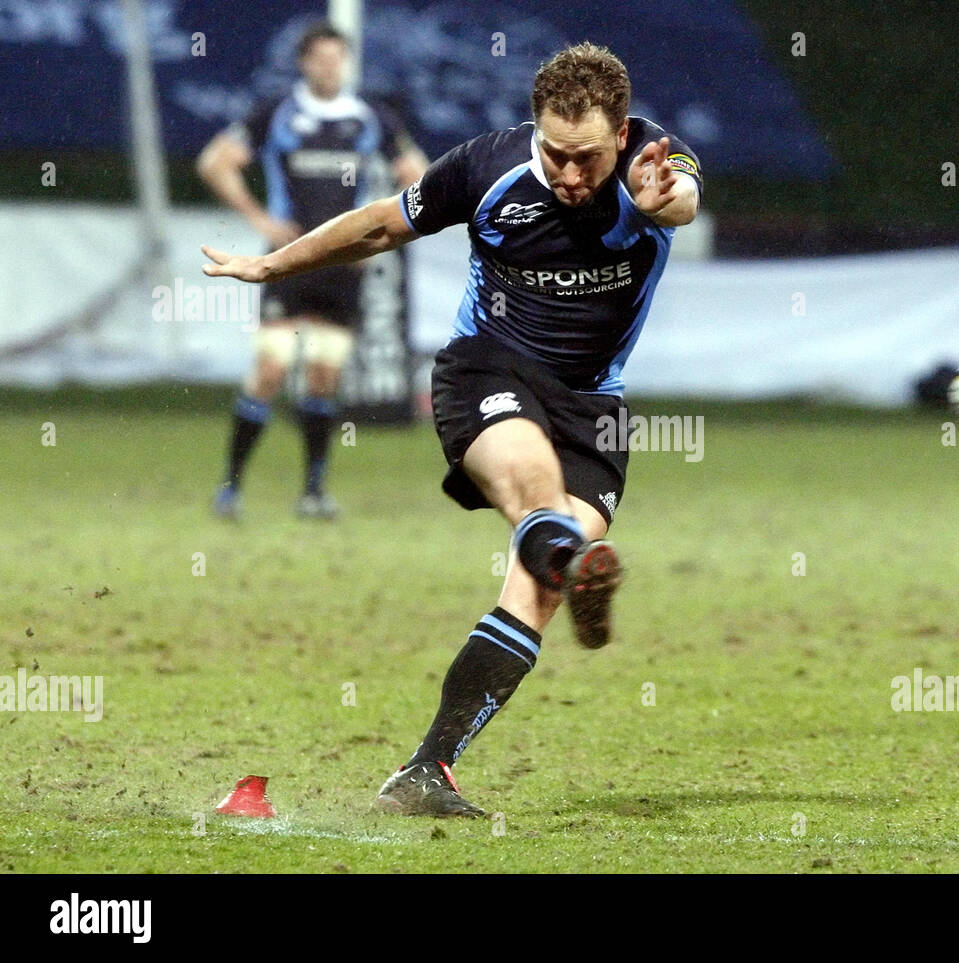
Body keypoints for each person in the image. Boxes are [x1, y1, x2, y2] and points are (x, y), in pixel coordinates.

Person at [202, 42, 701, 815]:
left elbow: (681, 202)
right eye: (556, 154)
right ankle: (569, 555)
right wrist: (273, 267)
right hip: (486, 374)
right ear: (535, 130)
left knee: (533, 589)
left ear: (623, 134)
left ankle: (426, 770)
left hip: (594, 408)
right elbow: (377, 226)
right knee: (537, 499)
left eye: (589, 159)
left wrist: (655, 197)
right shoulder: (486, 168)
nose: (571, 175)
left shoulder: (655, 160)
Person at [198, 21, 427, 520]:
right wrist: (261, 220)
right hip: (286, 262)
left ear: (345, 62)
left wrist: (380, 229)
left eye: (336, 58)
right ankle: (230, 489)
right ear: (304, 63)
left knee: (323, 376)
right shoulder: (279, 113)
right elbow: (215, 161)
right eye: (319, 58)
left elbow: (420, 175)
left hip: (344, 266)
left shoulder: (371, 118)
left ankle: (313, 492)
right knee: (271, 368)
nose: (328, 67)